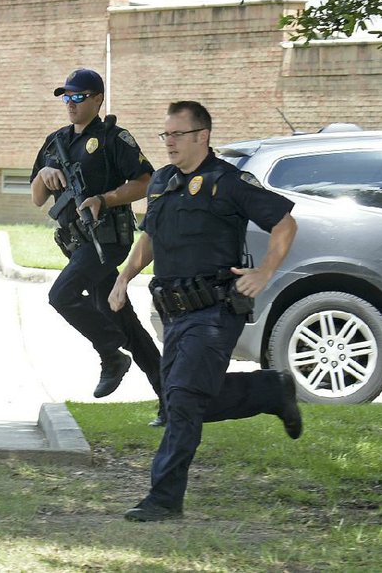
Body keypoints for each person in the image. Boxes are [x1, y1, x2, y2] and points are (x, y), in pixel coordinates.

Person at [108, 100, 302, 521]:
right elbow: (151, 239)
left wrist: (265, 271)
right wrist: (124, 277)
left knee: (182, 398)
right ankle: (271, 390)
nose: (169, 143)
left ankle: (163, 498)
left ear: (203, 136)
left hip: (215, 311)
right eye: (166, 134)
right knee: (185, 398)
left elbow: (285, 223)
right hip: (174, 311)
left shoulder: (228, 181)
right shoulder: (160, 182)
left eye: (177, 135)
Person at [30, 68, 165, 425]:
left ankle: (111, 353)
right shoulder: (55, 141)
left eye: (78, 97)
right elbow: (36, 197)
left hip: (108, 239)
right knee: (121, 316)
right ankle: (172, 397)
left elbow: (146, 182)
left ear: (98, 99)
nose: (70, 104)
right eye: (66, 97)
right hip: (78, 243)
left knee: (62, 294)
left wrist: (103, 198)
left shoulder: (113, 138)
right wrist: (44, 174)